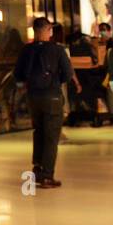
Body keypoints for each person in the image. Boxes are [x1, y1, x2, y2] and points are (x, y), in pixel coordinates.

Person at [14, 17, 79, 188]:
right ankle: (47, 175)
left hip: (33, 97)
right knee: (51, 136)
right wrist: (55, 81)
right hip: (52, 96)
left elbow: (18, 75)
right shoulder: (57, 50)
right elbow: (67, 73)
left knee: (39, 131)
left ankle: (37, 168)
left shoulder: (26, 50)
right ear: (48, 30)